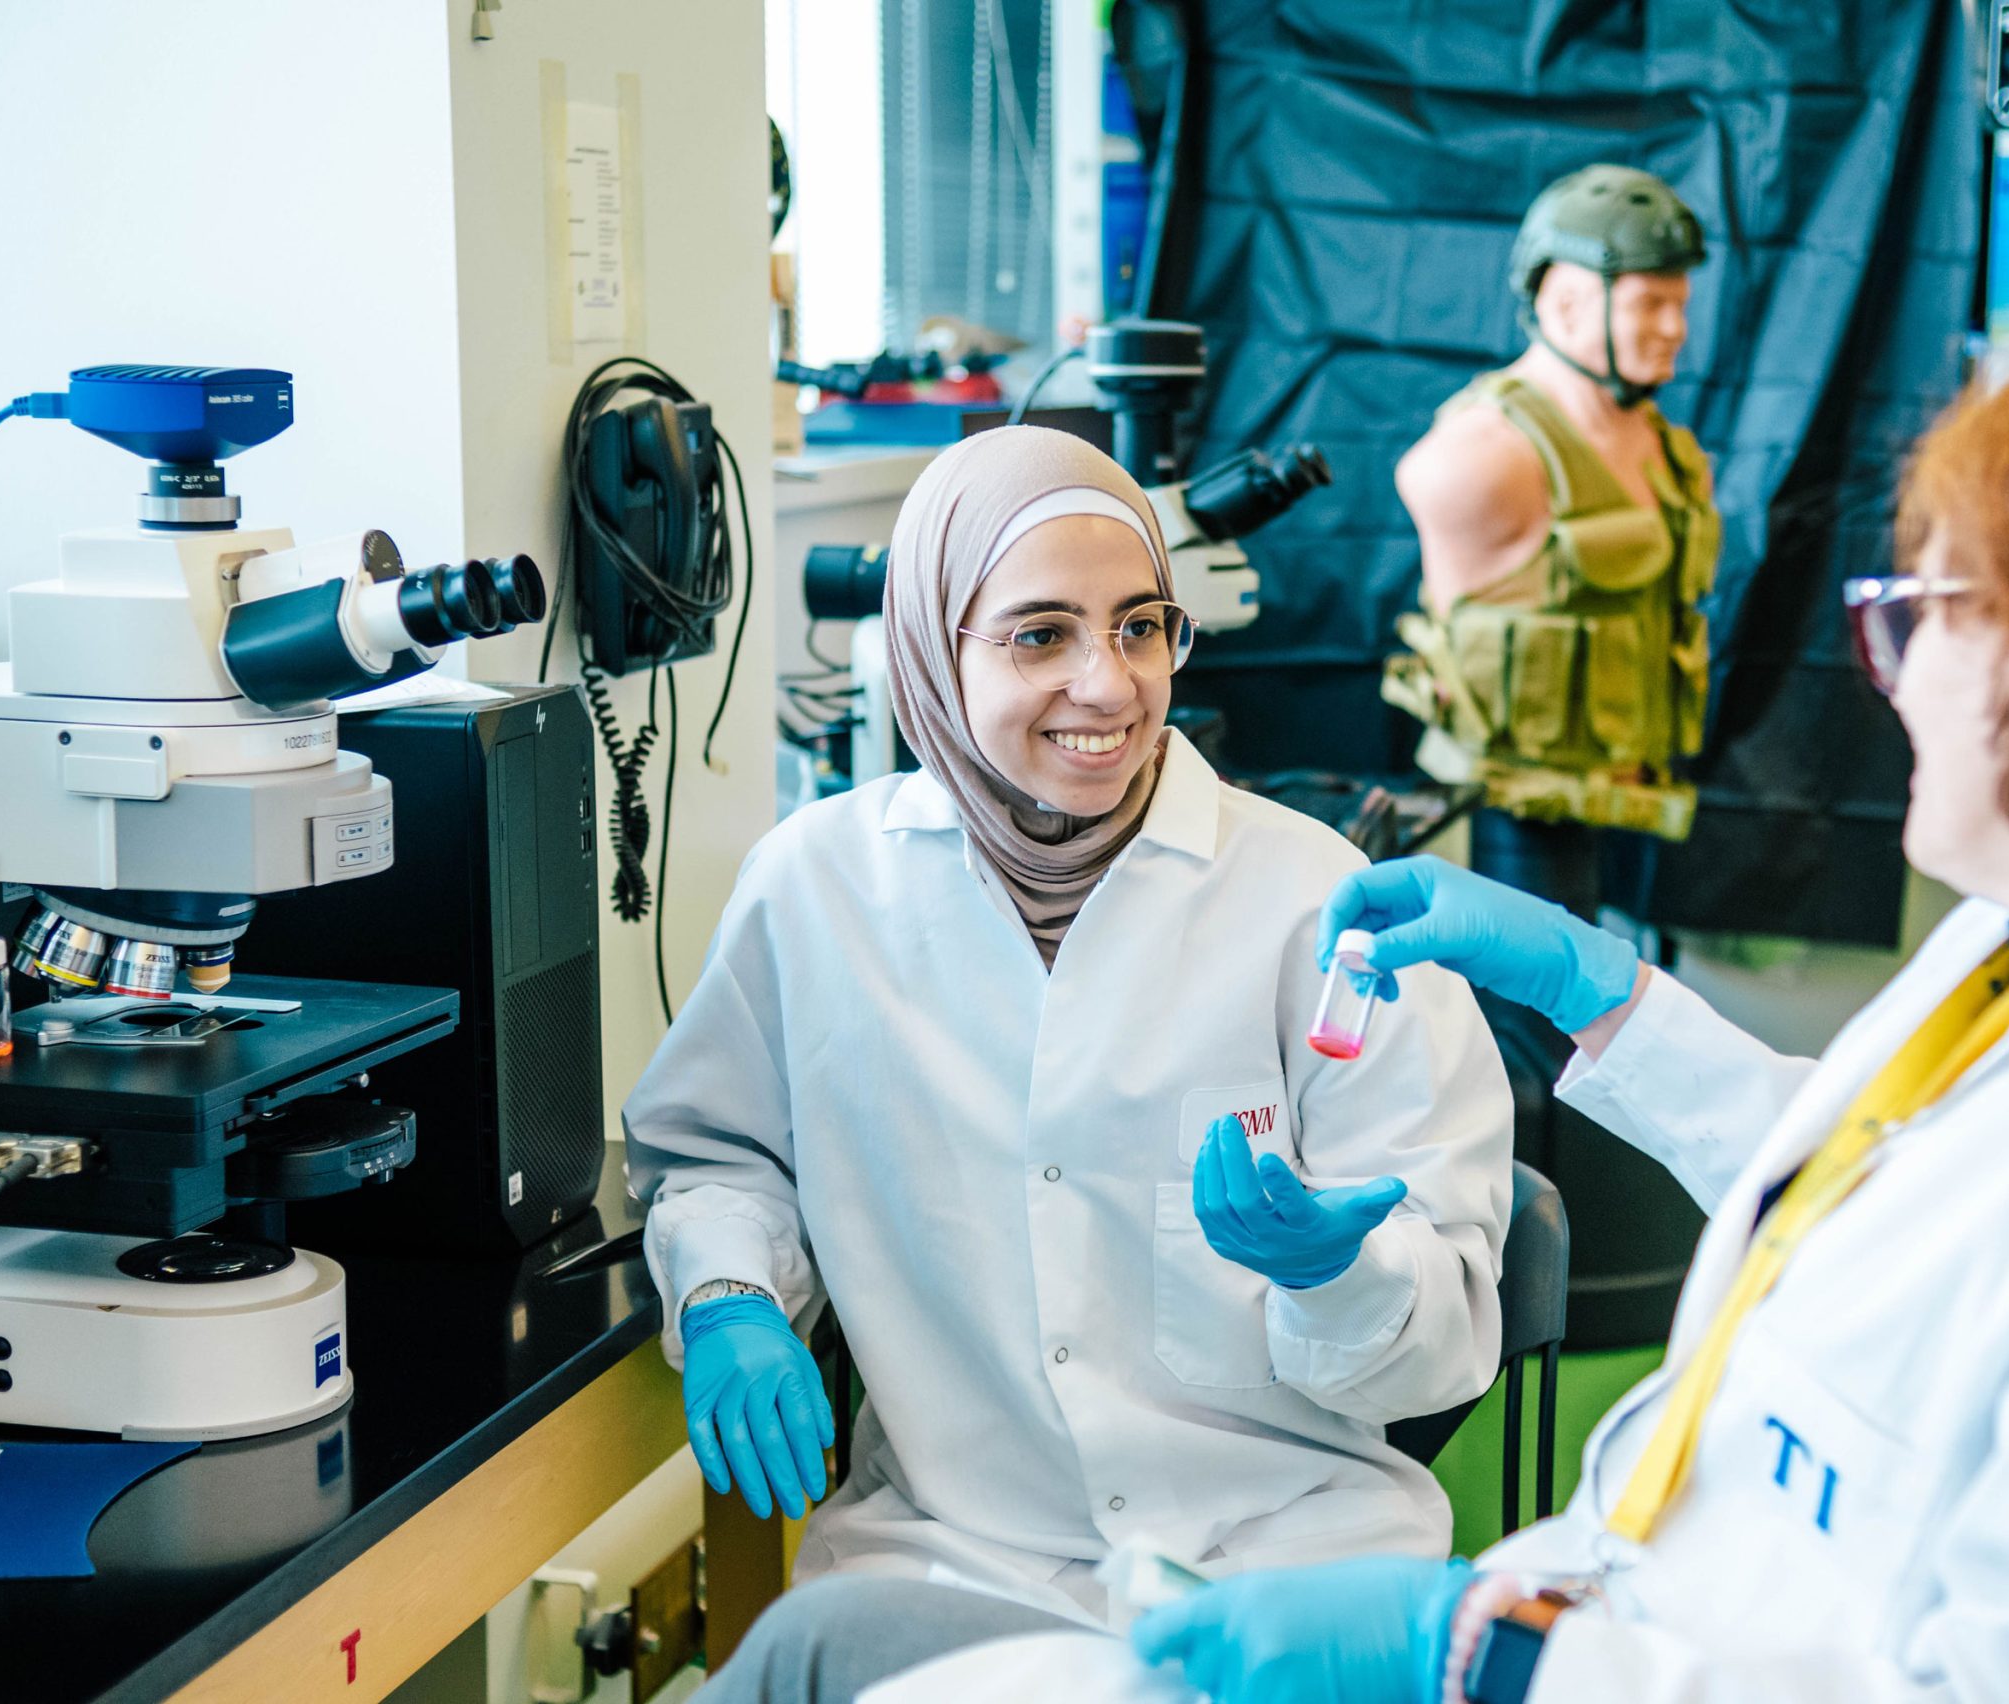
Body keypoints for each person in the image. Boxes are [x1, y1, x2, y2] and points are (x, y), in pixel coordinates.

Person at [1130, 323, 2009, 1704]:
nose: (1889, 669)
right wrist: (1601, 994)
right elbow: (1912, 1207)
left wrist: (1499, 1661)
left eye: (1927, 611)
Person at [622, 427, 1512, 1698]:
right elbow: (714, 1149)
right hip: (954, 1563)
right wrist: (725, 1294)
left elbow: (1435, 1346)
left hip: (1283, 1563)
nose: (1108, 685)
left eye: (1142, 626)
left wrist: (1342, 1273)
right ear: (934, 647)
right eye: (1041, 635)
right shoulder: (817, 888)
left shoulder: (1314, 900)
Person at [1385, 163, 1724, 1349]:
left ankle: (1626, 1240)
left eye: (1683, 300)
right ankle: (1522, 1278)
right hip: (1521, 802)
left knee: (1634, 1011)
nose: (1675, 327)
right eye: (1651, 303)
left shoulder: (1658, 445)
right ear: (1569, 302)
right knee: (1527, 1041)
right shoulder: (1480, 456)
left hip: (1630, 780)